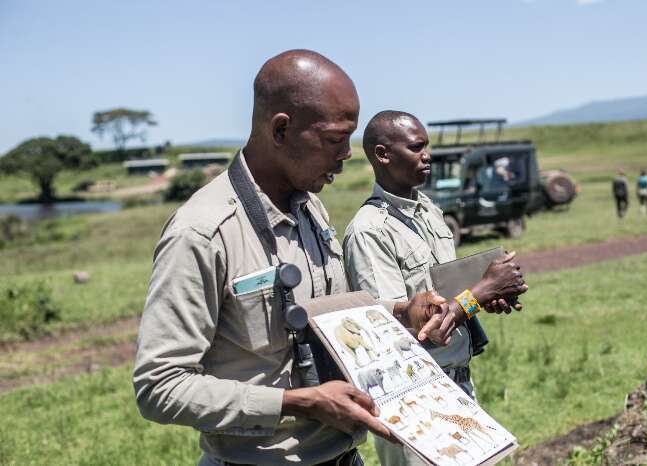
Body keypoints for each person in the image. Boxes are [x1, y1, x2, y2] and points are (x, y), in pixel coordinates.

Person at [132, 52, 451, 466]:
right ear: (281, 129)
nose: (348, 154)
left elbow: (333, 323)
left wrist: (401, 312)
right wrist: (296, 403)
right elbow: (160, 387)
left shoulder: (311, 209)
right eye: (336, 139)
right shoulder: (203, 232)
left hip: (342, 456)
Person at [343, 110, 528, 466]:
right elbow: (393, 331)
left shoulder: (427, 209)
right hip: (414, 397)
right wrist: (480, 293)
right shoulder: (369, 230)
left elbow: (446, 293)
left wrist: (485, 297)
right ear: (383, 155)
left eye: (426, 146)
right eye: (416, 147)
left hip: (457, 383)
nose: (427, 155)